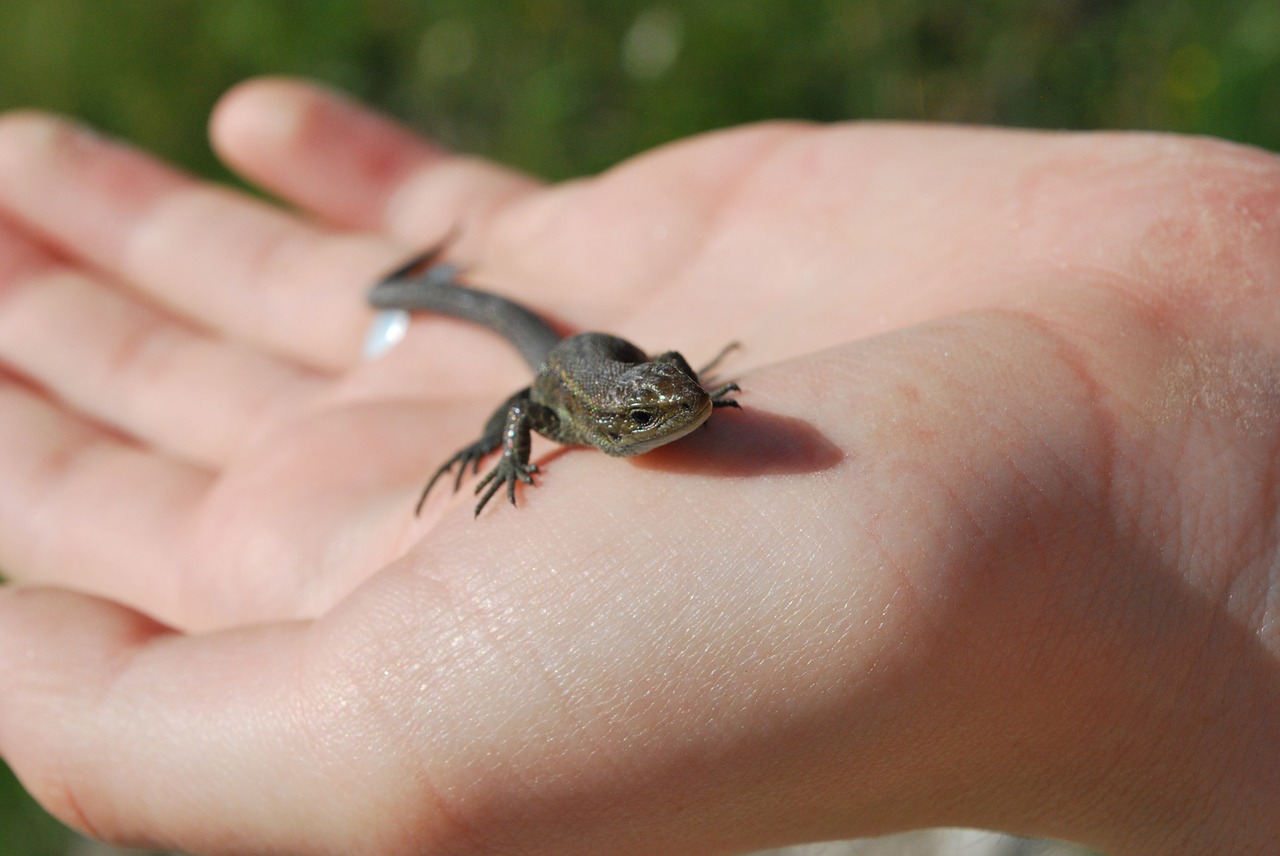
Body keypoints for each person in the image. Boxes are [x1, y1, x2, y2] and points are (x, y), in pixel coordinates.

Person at [0, 77, 1275, 856]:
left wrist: (692, 388)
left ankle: (426, 284)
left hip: (602, 359)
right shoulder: (586, 416)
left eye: (681, 409)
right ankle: (416, 288)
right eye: (665, 413)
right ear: (622, 426)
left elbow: (655, 380)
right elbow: (541, 390)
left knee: (615, 357)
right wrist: (500, 448)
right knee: (519, 355)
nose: (684, 420)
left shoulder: (661, 406)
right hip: (562, 373)